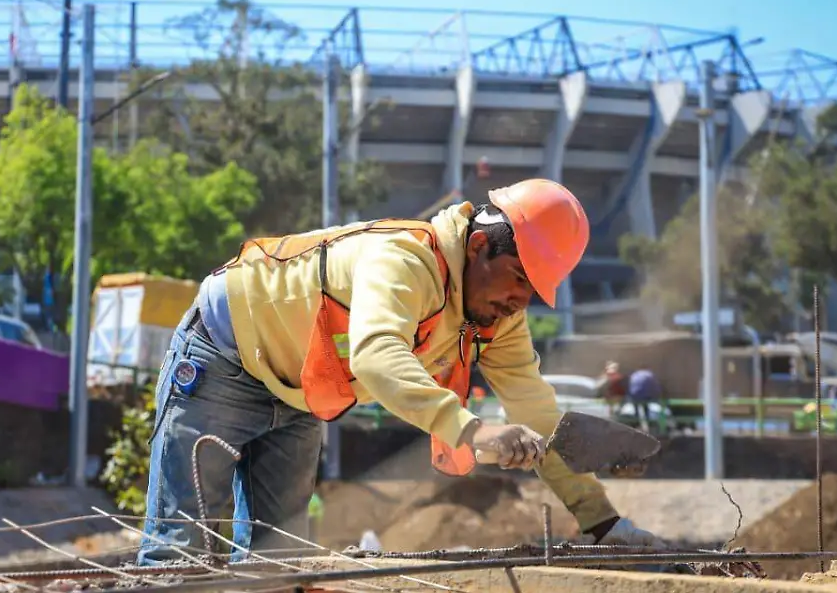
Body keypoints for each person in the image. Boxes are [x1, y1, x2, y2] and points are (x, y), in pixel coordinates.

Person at [137, 178, 666, 565]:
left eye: (533, 293)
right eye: (517, 280)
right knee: (183, 555)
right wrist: (473, 430)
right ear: (480, 246)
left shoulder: (495, 318)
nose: (518, 302)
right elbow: (376, 354)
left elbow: (540, 416)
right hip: (223, 357)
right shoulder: (406, 260)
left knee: (280, 562)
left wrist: (603, 522)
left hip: (302, 395)